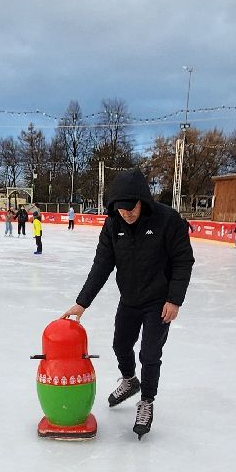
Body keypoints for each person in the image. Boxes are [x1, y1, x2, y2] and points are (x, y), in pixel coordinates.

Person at [63, 169, 194, 440]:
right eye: (121, 209)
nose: (127, 214)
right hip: (130, 299)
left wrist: (174, 299)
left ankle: (146, 400)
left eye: (131, 208)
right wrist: (81, 303)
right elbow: (101, 266)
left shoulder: (168, 221)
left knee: (149, 353)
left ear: (142, 201)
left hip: (159, 301)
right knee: (120, 345)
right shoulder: (113, 224)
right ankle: (130, 381)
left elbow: (183, 261)